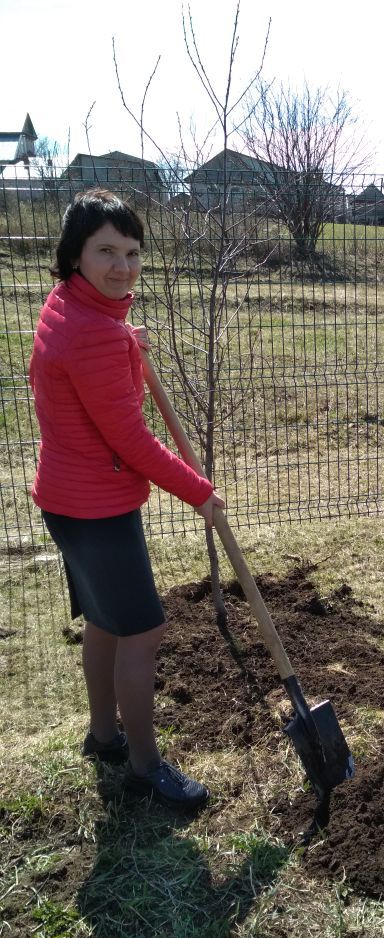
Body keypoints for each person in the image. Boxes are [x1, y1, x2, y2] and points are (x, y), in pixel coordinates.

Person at [28, 189, 225, 809]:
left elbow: (88, 375)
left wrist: (122, 340)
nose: (122, 266)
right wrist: (200, 493)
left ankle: (103, 734)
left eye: (132, 252)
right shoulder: (95, 333)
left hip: (66, 496)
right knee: (144, 632)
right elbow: (133, 441)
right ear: (75, 254)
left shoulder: (67, 309)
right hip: (97, 506)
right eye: (106, 251)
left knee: (106, 625)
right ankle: (145, 766)